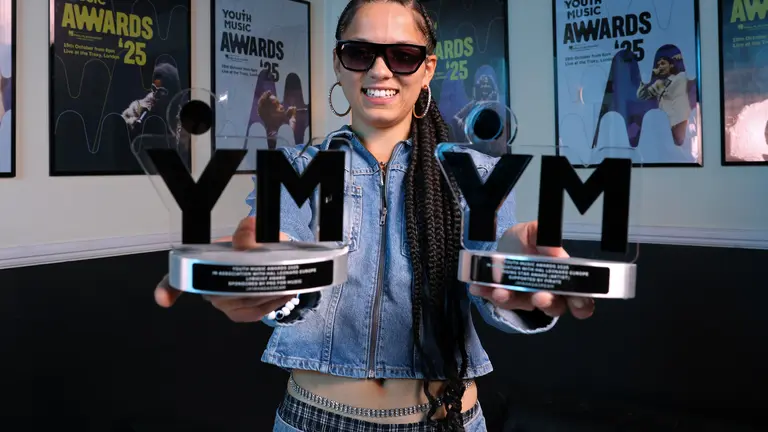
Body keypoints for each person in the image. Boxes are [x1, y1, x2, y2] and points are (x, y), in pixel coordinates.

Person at [154, 1, 595, 431]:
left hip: (447, 420)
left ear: (428, 69)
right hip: (315, 422)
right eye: (360, 53)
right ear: (339, 64)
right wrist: (272, 282)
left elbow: (493, 281)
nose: (380, 70)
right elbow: (284, 283)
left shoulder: (477, 173)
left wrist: (514, 268)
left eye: (404, 56)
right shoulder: (294, 167)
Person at [636, 54, 691, 146]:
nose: (660, 67)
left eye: (662, 63)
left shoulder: (681, 77)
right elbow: (641, 95)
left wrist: (682, 57)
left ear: (671, 65)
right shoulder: (658, 84)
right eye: (658, 65)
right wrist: (647, 78)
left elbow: (693, 69)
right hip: (667, 127)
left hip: (681, 123)